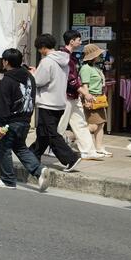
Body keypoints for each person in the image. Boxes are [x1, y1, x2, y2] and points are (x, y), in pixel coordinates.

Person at [0, 48, 50, 191]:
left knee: (3, 148)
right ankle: (38, 170)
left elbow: (4, 104)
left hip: (10, 121)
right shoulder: (29, 76)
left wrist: (0, 124)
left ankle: (8, 180)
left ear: (6, 62)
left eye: (3, 60)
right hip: (25, 119)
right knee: (20, 147)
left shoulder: (7, 79)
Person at [30, 34, 80, 171]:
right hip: (59, 102)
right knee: (43, 132)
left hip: (47, 102)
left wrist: (33, 73)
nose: (40, 51)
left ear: (43, 47)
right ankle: (32, 155)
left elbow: (39, 81)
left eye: (39, 49)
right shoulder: (64, 60)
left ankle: (71, 158)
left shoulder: (47, 62)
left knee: (51, 134)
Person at [58, 30, 98, 159]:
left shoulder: (72, 57)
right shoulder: (64, 56)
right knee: (61, 125)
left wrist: (83, 93)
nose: (80, 42)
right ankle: (51, 148)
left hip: (73, 95)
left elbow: (75, 79)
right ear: (72, 41)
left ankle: (88, 151)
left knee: (80, 123)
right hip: (66, 95)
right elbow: (71, 79)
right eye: (79, 40)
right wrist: (85, 93)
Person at [79, 44, 111, 157]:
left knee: (101, 124)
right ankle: (72, 137)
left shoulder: (95, 67)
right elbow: (85, 85)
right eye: (98, 54)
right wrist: (87, 98)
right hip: (91, 97)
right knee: (93, 125)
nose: (101, 56)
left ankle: (99, 147)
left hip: (99, 98)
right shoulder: (86, 68)